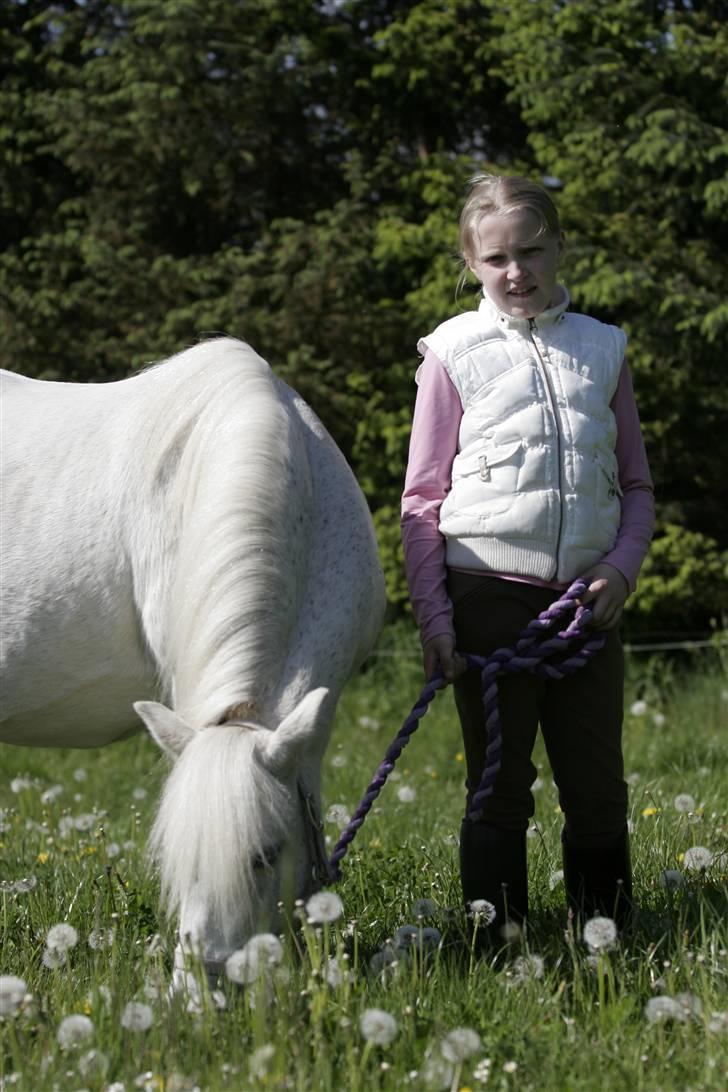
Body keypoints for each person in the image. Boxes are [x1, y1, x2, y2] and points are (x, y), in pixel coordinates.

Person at [401, 174, 654, 942]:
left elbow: (638, 486)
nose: (518, 272)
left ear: (559, 248)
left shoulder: (602, 350)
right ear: (472, 264)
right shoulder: (453, 353)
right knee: (499, 785)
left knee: (598, 788)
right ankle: (495, 942)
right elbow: (421, 502)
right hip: (487, 601)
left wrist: (620, 568)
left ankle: (603, 939)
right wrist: (436, 619)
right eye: (497, 258)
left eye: (532, 252)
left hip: (585, 603)